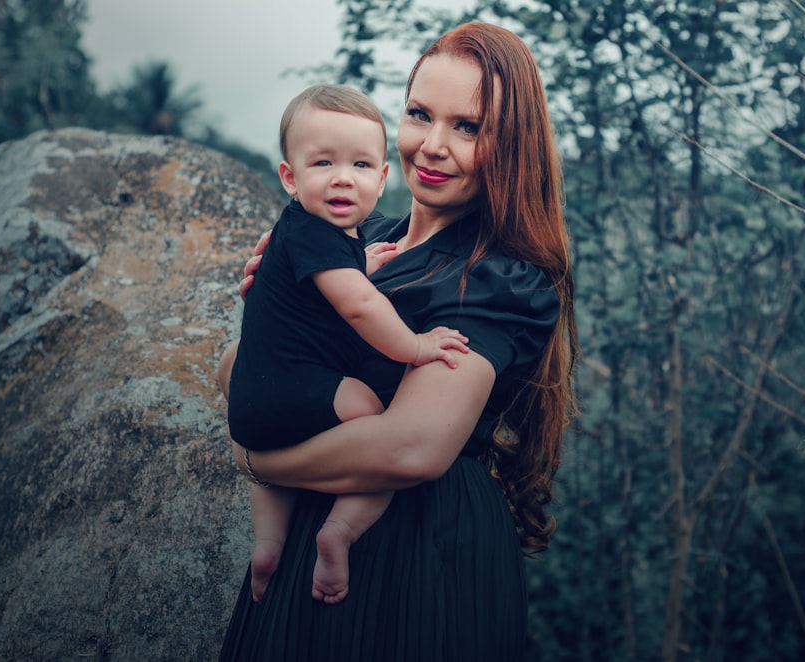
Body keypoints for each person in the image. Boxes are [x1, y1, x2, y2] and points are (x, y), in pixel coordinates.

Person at [217, 21, 577, 661]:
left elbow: (412, 448)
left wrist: (256, 463)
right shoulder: (352, 238)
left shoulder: (499, 277)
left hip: (417, 547)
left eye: (468, 127)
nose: (433, 145)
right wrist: (274, 317)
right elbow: (239, 377)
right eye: (419, 114)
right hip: (315, 538)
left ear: (511, 146)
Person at [224, 84, 470, 605]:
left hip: (252, 406)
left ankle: (267, 547)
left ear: (381, 180)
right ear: (289, 176)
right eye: (323, 163)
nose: (342, 177)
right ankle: (340, 529)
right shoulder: (319, 233)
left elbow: (336, 279)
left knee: (268, 470)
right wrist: (417, 348)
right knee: (373, 417)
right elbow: (359, 305)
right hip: (298, 389)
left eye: (360, 165)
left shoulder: (317, 233)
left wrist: (362, 265)